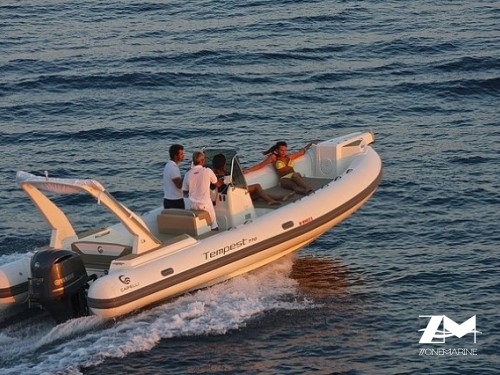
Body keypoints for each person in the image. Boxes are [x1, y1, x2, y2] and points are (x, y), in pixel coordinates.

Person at [212, 153, 294, 205]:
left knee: (258, 193)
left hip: (229, 196)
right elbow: (229, 184)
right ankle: (270, 200)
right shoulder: (223, 175)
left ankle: (279, 198)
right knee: (257, 187)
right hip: (233, 195)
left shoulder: (213, 174)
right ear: (224, 163)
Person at [245, 141, 313, 195]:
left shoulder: (288, 157)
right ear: (277, 150)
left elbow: (301, 153)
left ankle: (306, 190)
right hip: (284, 179)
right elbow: (260, 165)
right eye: (281, 150)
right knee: (295, 185)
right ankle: (306, 190)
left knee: (295, 175)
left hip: (295, 177)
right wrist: (249, 170)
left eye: (285, 150)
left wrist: (310, 144)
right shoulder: (273, 158)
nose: (284, 152)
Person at [182, 151, 219, 231]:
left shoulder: (187, 174)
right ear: (202, 161)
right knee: (214, 225)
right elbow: (216, 183)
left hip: (193, 205)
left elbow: (184, 192)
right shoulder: (207, 171)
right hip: (205, 205)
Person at [163, 144, 185, 209]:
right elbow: (179, 185)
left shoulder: (168, 165)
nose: (183, 156)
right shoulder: (173, 167)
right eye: (181, 154)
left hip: (168, 199)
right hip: (175, 201)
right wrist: (187, 175)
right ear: (175, 156)